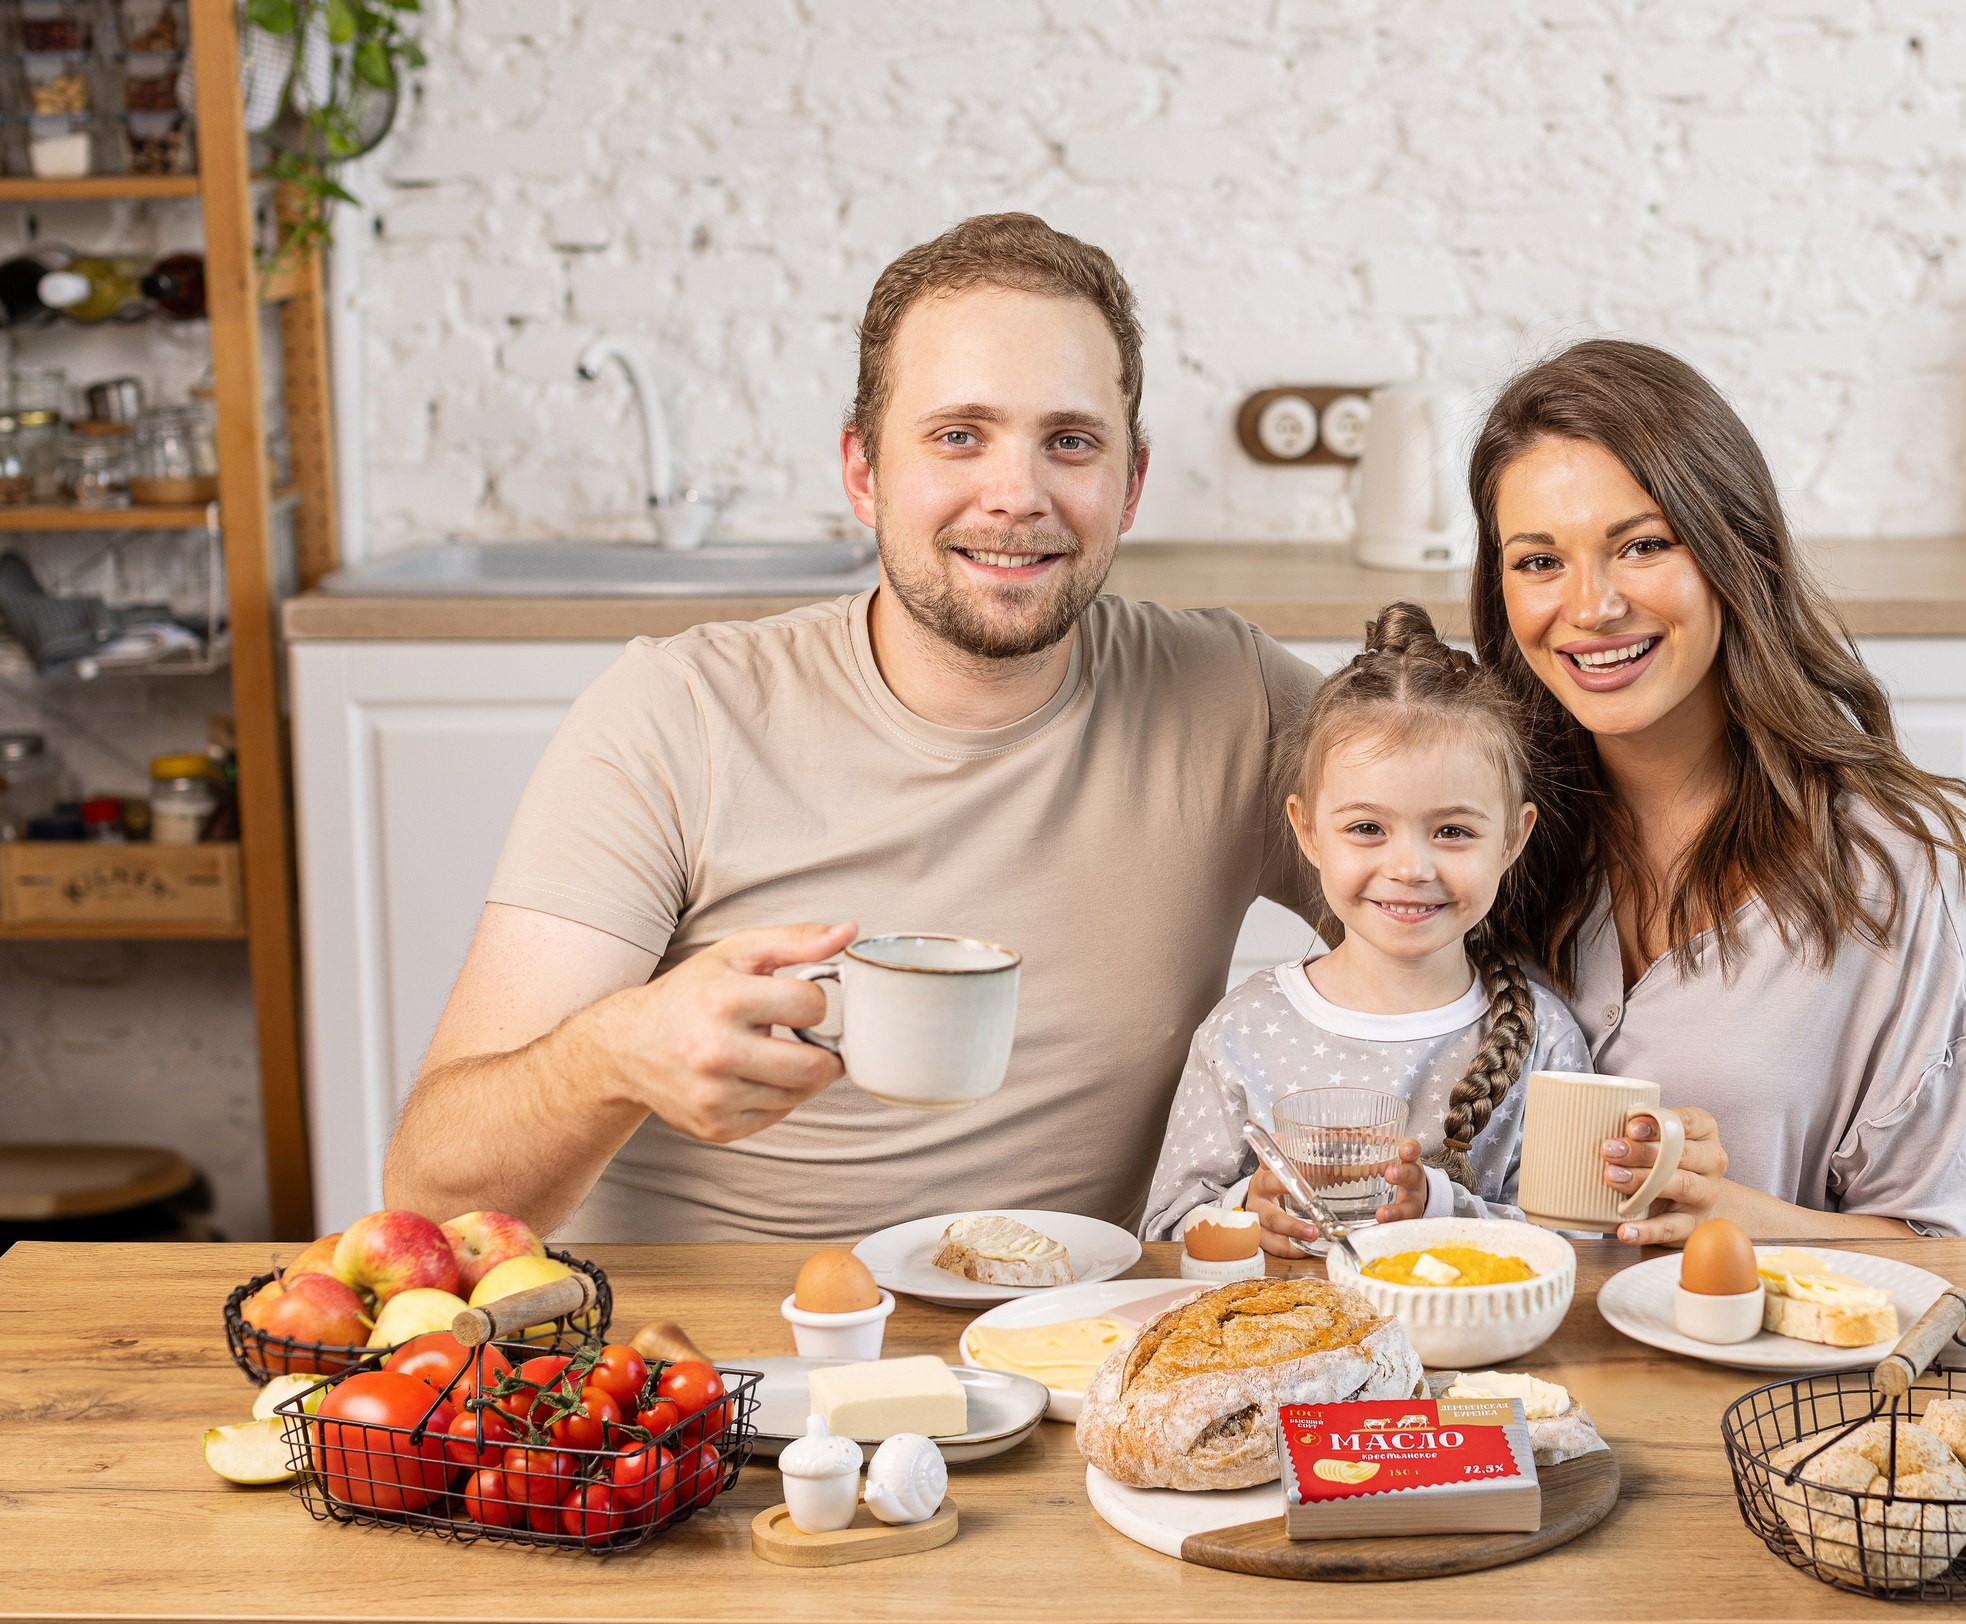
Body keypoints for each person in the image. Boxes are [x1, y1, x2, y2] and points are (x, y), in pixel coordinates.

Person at [383, 213, 1325, 1242]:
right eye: (958, 435)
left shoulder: (1230, 696)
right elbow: (431, 1193)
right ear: (863, 471)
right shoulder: (675, 716)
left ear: (1130, 484)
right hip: (722, 1368)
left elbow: (1483, 916)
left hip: (1065, 1357)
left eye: (1068, 442)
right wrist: (609, 1055)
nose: (1015, 495)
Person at [1468, 339, 1966, 1245]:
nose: (1590, 607)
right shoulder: (1470, 830)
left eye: (1641, 545)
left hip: (1770, 1384)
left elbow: (1953, 1259)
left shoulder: (1881, 869)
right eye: (1539, 561)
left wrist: (1733, 1217)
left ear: (1731, 551)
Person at [1141, 602, 1592, 1255]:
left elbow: (1578, 1249)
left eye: (1453, 832)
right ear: (1307, 831)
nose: (1409, 867)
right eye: (1367, 829)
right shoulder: (1244, 1032)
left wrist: (1439, 1206)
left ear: (1513, 839)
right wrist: (1247, 1212)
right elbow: (1163, 1231)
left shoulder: (1546, 1042)